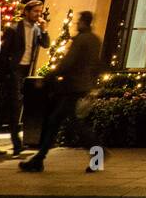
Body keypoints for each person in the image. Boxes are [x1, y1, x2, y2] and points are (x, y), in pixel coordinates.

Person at [20, 11, 101, 173]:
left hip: (73, 87)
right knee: (59, 122)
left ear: (84, 22)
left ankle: (98, 153)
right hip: (83, 86)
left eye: (79, 21)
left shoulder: (81, 39)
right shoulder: (94, 40)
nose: (77, 24)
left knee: (65, 122)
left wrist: (49, 76)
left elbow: (67, 62)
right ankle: (39, 159)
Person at [0, 0, 49, 158]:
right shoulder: (14, 28)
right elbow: (3, 50)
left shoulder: (37, 29)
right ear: (27, 12)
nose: (38, 14)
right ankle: (17, 144)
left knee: (4, 109)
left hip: (24, 71)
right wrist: (0, 66)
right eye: (35, 11)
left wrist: (44, 30)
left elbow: (46, 44)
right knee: (16, 105)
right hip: (13, 71)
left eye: (40, 11)